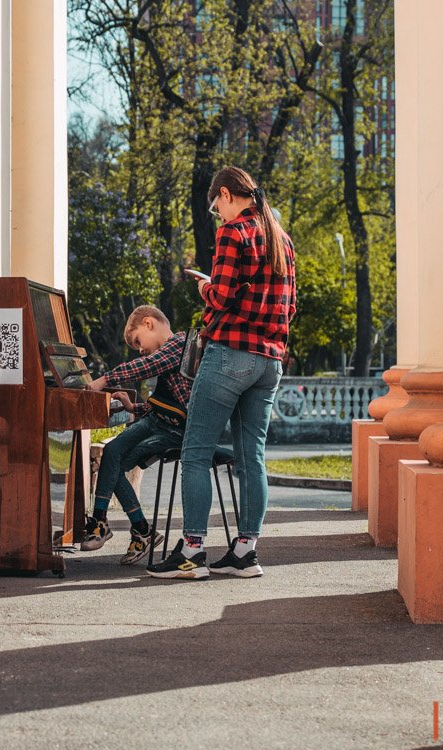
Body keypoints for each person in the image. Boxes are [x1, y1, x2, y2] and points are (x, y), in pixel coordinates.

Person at [146, 166, 296, 580]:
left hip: (231, 353)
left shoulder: (235, 233)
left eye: (217, 208)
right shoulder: (282, 239)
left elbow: (224, 296)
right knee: (252, 459)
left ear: (227, 196)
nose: (219, 216)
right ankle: (245, 551)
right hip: (270, 362)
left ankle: (192, 550)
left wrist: (206, 289)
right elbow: (290, 306)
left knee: (195, 452)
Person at [81, 305, 193, 564]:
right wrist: (135, 408)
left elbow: (147, 366)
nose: (140, 349)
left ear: (149, 323)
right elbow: (168, 401)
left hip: (176, 430)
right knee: (111, 453)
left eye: (138, 341)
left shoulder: (178, 344)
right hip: (157, 419)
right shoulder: (168, 351)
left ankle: (124, 529)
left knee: (116, 462)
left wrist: (103, 380)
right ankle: (114, 525)